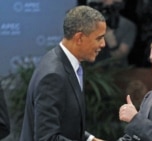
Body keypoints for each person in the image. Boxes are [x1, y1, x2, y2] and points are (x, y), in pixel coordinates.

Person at [19, 5, 106, 141]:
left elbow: (67, 124)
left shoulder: (70, 66)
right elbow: (47, 138)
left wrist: (91, 139)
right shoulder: (53, 76)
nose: (103, 44)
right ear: (79, 38)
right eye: (99, 38)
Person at [88, 0, 137, 67]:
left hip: (117, 72)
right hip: (92, 71)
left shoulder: (127, 25)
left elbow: (119, 59)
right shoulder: (87, 24)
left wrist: (111, 41)